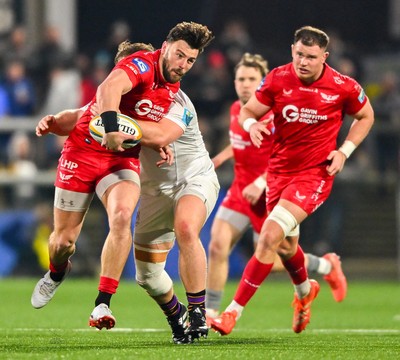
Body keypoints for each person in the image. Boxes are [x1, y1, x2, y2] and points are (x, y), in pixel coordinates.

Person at [31, 22, 214, 338]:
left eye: (190, 60)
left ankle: (104, 302)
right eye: (180, 56)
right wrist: (60, 122)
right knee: (63, 242)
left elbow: (161, 131)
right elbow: (86, 109)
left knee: (122, 217)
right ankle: (57, 271)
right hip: (81, 155)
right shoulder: (141, 68)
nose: (183, 65)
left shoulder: (177, 97)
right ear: (165, 47)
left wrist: (155, 140)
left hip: (139, 166)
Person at [209, 26, 374, 336]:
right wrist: (251, 125)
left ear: (324, 57)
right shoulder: (277, 79)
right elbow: (247, 110)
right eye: (299, 54)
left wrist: (344, 151)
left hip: (314, 175)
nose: (303, 61)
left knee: (269, 237)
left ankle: (230, 313)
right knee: (285, 248)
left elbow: (366, 116)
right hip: (279, 173)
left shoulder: (342, 86)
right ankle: (309, 288)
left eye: (311, 57)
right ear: (292, 50)